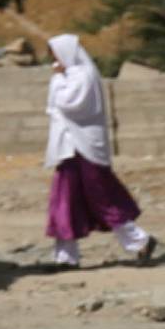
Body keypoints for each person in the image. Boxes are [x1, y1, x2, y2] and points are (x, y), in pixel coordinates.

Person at [44, 34, 155, 267]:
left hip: (85, 146)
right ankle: (66, 257)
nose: (54, 60)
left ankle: (140, 241)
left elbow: (67, 104)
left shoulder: (82, 75)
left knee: (102, 196)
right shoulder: (70, 75)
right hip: (70, 147)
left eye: (55, 54)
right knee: (65, 199)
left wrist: (57, 80)